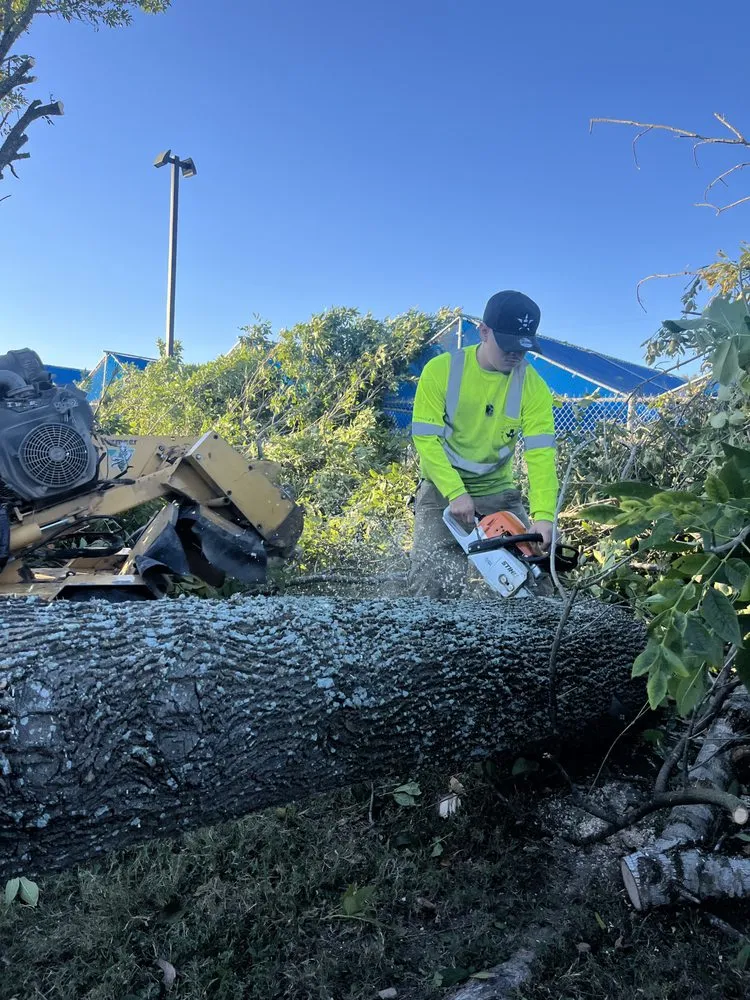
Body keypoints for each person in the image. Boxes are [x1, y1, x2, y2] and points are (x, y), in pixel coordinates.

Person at [408, 290, 559, 598]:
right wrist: (455, 491)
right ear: (484, 332)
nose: (515, 355)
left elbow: (541, 455)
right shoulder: (441, 371)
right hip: (442, 488)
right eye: (508, 345)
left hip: (497, 492)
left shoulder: (534, 388)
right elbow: (426, 439)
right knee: (431, 585)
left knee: (539, 578)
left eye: (523, 348)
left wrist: (544, 518)